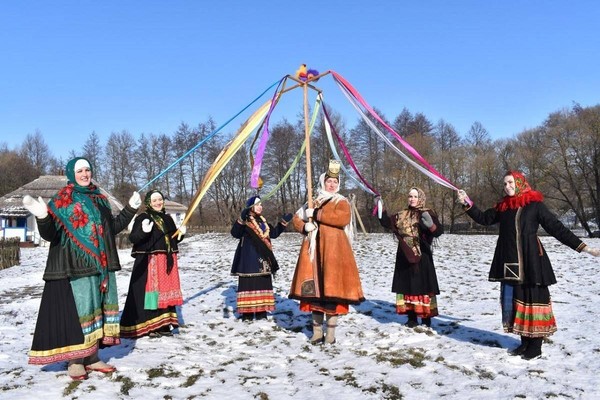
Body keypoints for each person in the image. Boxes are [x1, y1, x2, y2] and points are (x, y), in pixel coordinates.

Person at [457, 170, 600, 360]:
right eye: (505, 183)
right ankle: (524, 342)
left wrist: (584, 248)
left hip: (532, 261)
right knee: (517, 301)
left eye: (510, 182)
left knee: (533, 300)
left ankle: (536, 347)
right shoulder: (503, 206)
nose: (507, 186)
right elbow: (484, 219)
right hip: (510, 262)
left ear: (519, 183)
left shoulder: (534, 205)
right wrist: (466, 201)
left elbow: (557, 228)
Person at [22, 157, 141, 380]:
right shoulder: (62, 200)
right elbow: (52, 235)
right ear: (71, 174)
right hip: (76, 265)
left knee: (97, 312)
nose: (85, 174)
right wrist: (42, 217)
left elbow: (111, 228)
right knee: (81, 312)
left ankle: (93, 357)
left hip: (102, 264)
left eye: (88, 170)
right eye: (80, 171)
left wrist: (130, 209)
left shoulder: (100, 199)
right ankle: (75, 360)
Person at [289, 160, 365, 344]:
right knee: (315, 293)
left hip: (335, 253)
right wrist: (304, 226)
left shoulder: (342, 202)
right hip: (313, 254)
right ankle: (316, 333)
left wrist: (317, 215)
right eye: (329, 182)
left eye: (335, 182)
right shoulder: (312, 200)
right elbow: (296, 218)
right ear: (323, 182)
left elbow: (342, 219)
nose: (332, 185)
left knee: (332, 292)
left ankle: (330, 334)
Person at [120, 190, 186, 338]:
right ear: (149, 202)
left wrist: (180, 234)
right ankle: (151, 325)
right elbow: (134, 238)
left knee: (165, 293)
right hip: (151, 262)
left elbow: (171, 240)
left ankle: (163, 325)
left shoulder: (168, 219)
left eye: (160, 200)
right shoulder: (144, 217)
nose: (158, 203)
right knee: (153, 293)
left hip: (167, 262)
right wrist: (143, 231)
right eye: (154, 200)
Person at [377, 187, 443, 328]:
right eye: (410, 196)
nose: (412, 199)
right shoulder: (402, 215)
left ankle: (426, 318)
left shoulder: (427, 213)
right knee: (408, 286)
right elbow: (386, 222)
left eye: (415, 196)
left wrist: (430, 224)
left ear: (421, 198)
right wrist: (379, 205)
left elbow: (438, 232)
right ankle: (411, 317)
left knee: (423, 287)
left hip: (422, 256)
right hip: (405, 256)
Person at [230, 195, 292, 321]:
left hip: (264, 258)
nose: (260, 207)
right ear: (250, 206)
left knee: (262, 283)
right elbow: (235, 233)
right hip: (248, 258)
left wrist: (283, 223)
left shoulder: (263, 222)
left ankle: (261, 313)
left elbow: (273, 234)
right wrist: (241, 219)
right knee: (249, 284)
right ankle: (247, 314)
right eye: (257, 204)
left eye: (261, 204)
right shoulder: (245, 222)